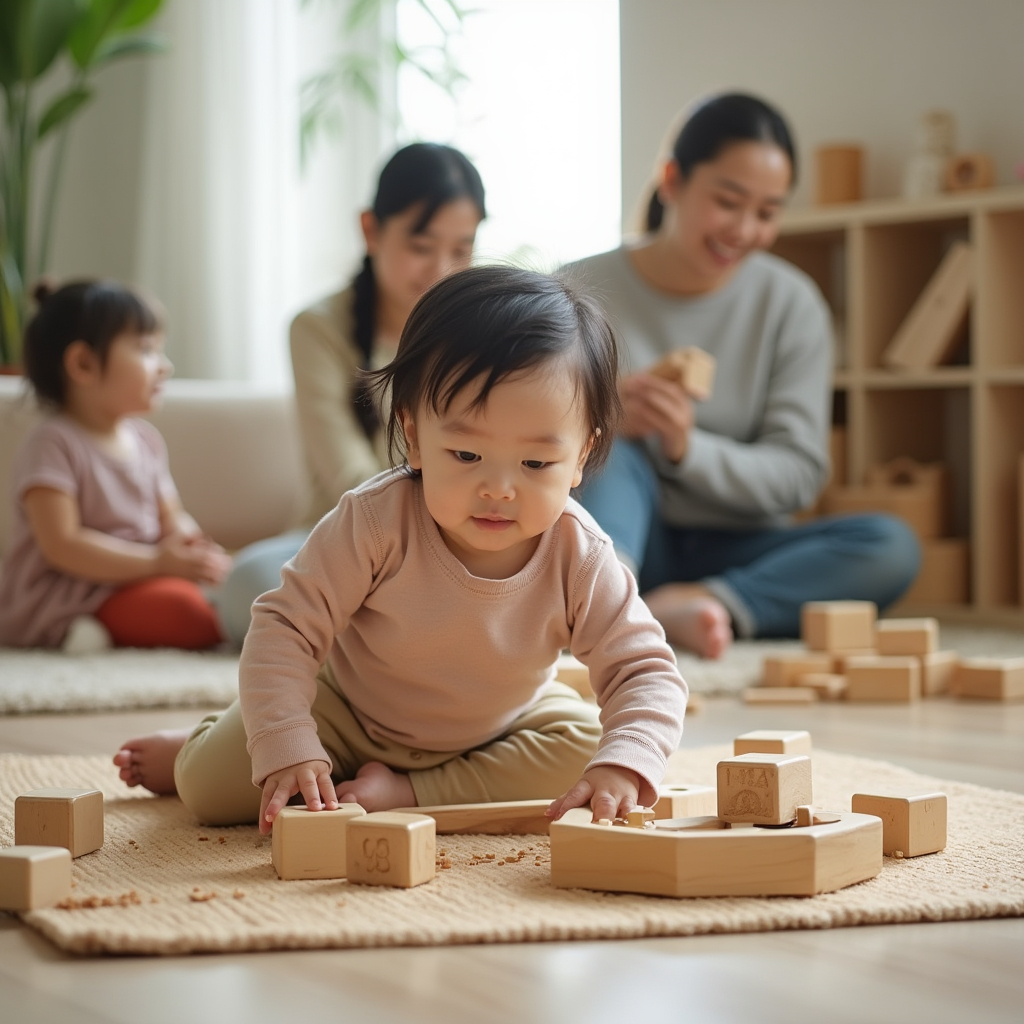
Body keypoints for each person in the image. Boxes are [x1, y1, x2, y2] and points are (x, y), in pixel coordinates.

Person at [113, 266, 688, 828]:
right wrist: (288, 743)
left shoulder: (579, 553)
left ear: (581, 457)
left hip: (504, 726)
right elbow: (285, 627)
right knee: (211, 791)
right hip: (349, 714)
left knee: (585, 753)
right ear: (413, 435)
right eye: (466, 455)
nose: (498, 488)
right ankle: (198, 741)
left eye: (536, 463)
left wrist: (623, 763)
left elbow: (647, 671)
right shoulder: (375, 521)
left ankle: (407, 792)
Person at [565, 93, 920, 659]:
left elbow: (800, 474)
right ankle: (609, 600)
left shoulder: (791, 304)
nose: (746, 229)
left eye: (767, 211)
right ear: (673, 180)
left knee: (891, 545)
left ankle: (704, 602)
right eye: (729, 202)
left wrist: (687, 449)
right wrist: (599, 421)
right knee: (611, 450)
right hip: (618, 536)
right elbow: (525, 442)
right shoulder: (579, 289)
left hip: (744, 546)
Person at [218, 143, 486, 645]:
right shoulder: (318, 329)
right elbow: (349, 477)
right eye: (421, 247)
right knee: (252, 583)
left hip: (463, 538)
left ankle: (402, 640)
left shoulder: (477, 334)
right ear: (370, 230)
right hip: (343, 542)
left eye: (461, 249)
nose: (441, 271)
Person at [0, 281, 231, 651]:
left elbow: (171, 515)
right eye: (146, 350)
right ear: (84, 364)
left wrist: (192, 547)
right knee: (193, 614)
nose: (165, 366)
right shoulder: (52, 444)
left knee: (234, 584)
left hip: (133, 577)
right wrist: (157, 562)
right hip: (70, 592)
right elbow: (62, 544)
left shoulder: (146, 441)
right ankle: (72, 628)